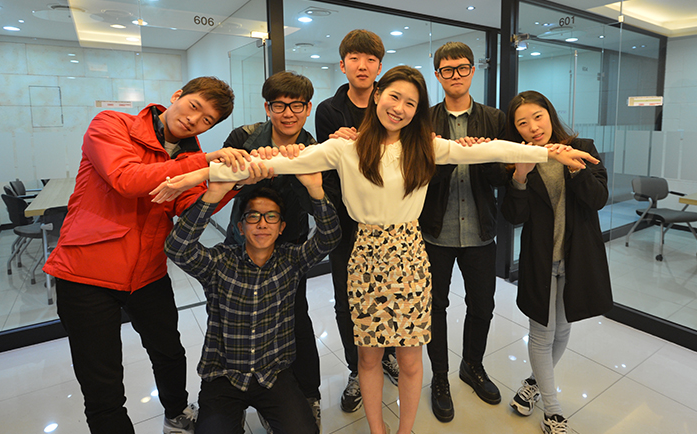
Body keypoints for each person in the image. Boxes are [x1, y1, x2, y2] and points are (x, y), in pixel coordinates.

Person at [151, 66, 599, 434]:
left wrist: (550, 152)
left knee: (410, 356)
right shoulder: (343, 147)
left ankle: (404, 430)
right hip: (364, 255)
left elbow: (487, 152)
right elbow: (274, 161)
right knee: (367, 355)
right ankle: (377, 429)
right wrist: (195, 176)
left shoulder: (427, 146)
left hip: (410, 255)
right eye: (394, 97)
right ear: (378, 94)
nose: (400, 108)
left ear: (418, 111)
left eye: (411, 103)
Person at [43, 76, 254, 434]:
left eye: (206, 120)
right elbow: (127, 179)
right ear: (177, 96)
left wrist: (231, 184)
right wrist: (203, 164)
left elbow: (189, 210)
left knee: (169, 352)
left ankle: (176, 412)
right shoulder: (112, 124)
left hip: (148, 273)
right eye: (193, 106)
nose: (194, 120)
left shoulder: (190, 157)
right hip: (86, 274)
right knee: (103, 383)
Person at [164, 170, 340, 434]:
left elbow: (330, 236)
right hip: (224, 377)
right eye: (253, 216)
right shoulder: (220, 263)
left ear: (281, 228)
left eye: (271, 217)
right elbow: (177, 247)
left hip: (274, 375)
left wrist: (315, 190)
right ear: (240, 227)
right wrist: (213, 195)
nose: (262, 224)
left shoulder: (291, 261)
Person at [502, 91, 613, 434]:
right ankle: (552, 411)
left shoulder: (583, 148)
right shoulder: (522, 158)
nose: (533, 127)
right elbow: (513, 216)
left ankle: (533, 384)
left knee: (563, 329)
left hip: (577, 259)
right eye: (523, 123)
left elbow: (598, 199)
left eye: (538, 117)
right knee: (541, 333)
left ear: (549, 115)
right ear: (517, 130)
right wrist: (520, 177)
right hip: (540, 260)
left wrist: (575, 167)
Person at [222, 71, 323, 428]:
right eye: (279, 105)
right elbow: (220, 189)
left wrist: (295, 169)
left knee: (295, 320)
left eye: (297, 105)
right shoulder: (244, 138)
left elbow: (316, 206)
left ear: (308, 108)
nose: (288, 113)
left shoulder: (314, 149)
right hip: (242, 248)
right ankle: (232, 398)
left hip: (289, 250)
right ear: (267, 108)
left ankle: (308, 395)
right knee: (234, 322)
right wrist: (244, 178)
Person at [418, 41, 508, 421]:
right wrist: (453, 156)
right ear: (437, 74)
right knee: (434, 307)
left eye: (462, 68)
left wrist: (480, 156)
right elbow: (417, 176)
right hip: (434, 231)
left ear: (473, 70)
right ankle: (439, 377)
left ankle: (472, 365)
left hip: (481, 230)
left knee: (482, 305)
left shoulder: (495, 119)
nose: (455, 75)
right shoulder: (423, 120)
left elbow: (502, 175)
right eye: (447, 69)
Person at [314, 28, 399, 414]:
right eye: (354, 58)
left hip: (388, 221)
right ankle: (356, 368)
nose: (362, 66)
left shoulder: (392, 101)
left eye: (370, 60)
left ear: (379, 66)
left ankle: (388, 355)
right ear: (342, 64)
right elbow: (329, 170)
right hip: (346, 224)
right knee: (347, 300)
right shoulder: (328, 110)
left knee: (390, 294)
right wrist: (338, 145)